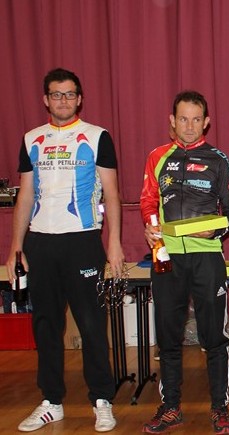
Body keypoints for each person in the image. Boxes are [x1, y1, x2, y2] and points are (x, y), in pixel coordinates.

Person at [5, 67, 124, 432]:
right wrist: (16, 248)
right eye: (56, 94)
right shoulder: (31, 139)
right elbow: (25, 195)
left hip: (82, 241)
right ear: (46, 99)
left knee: (91, 323)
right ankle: (51, 401)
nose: (63, 100)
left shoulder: (97, 136)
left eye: (70, 94)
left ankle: (101, 399)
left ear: (79, 98)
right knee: (46, 325)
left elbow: (112, 194)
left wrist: (114, 244)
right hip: (40, 242)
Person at [139, 90, 229, 434]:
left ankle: (220, 408)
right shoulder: (157, 157)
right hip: (167, 257)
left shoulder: (218, 159)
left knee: (214, 337)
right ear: (172, 120)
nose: (190, 126)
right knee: (168, 337)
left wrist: (218, 231)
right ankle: (170, 408)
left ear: (206, 122)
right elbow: (148, 201)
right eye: (183, 119)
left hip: (207, 257)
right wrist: (150, 226)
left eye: (197, 119)